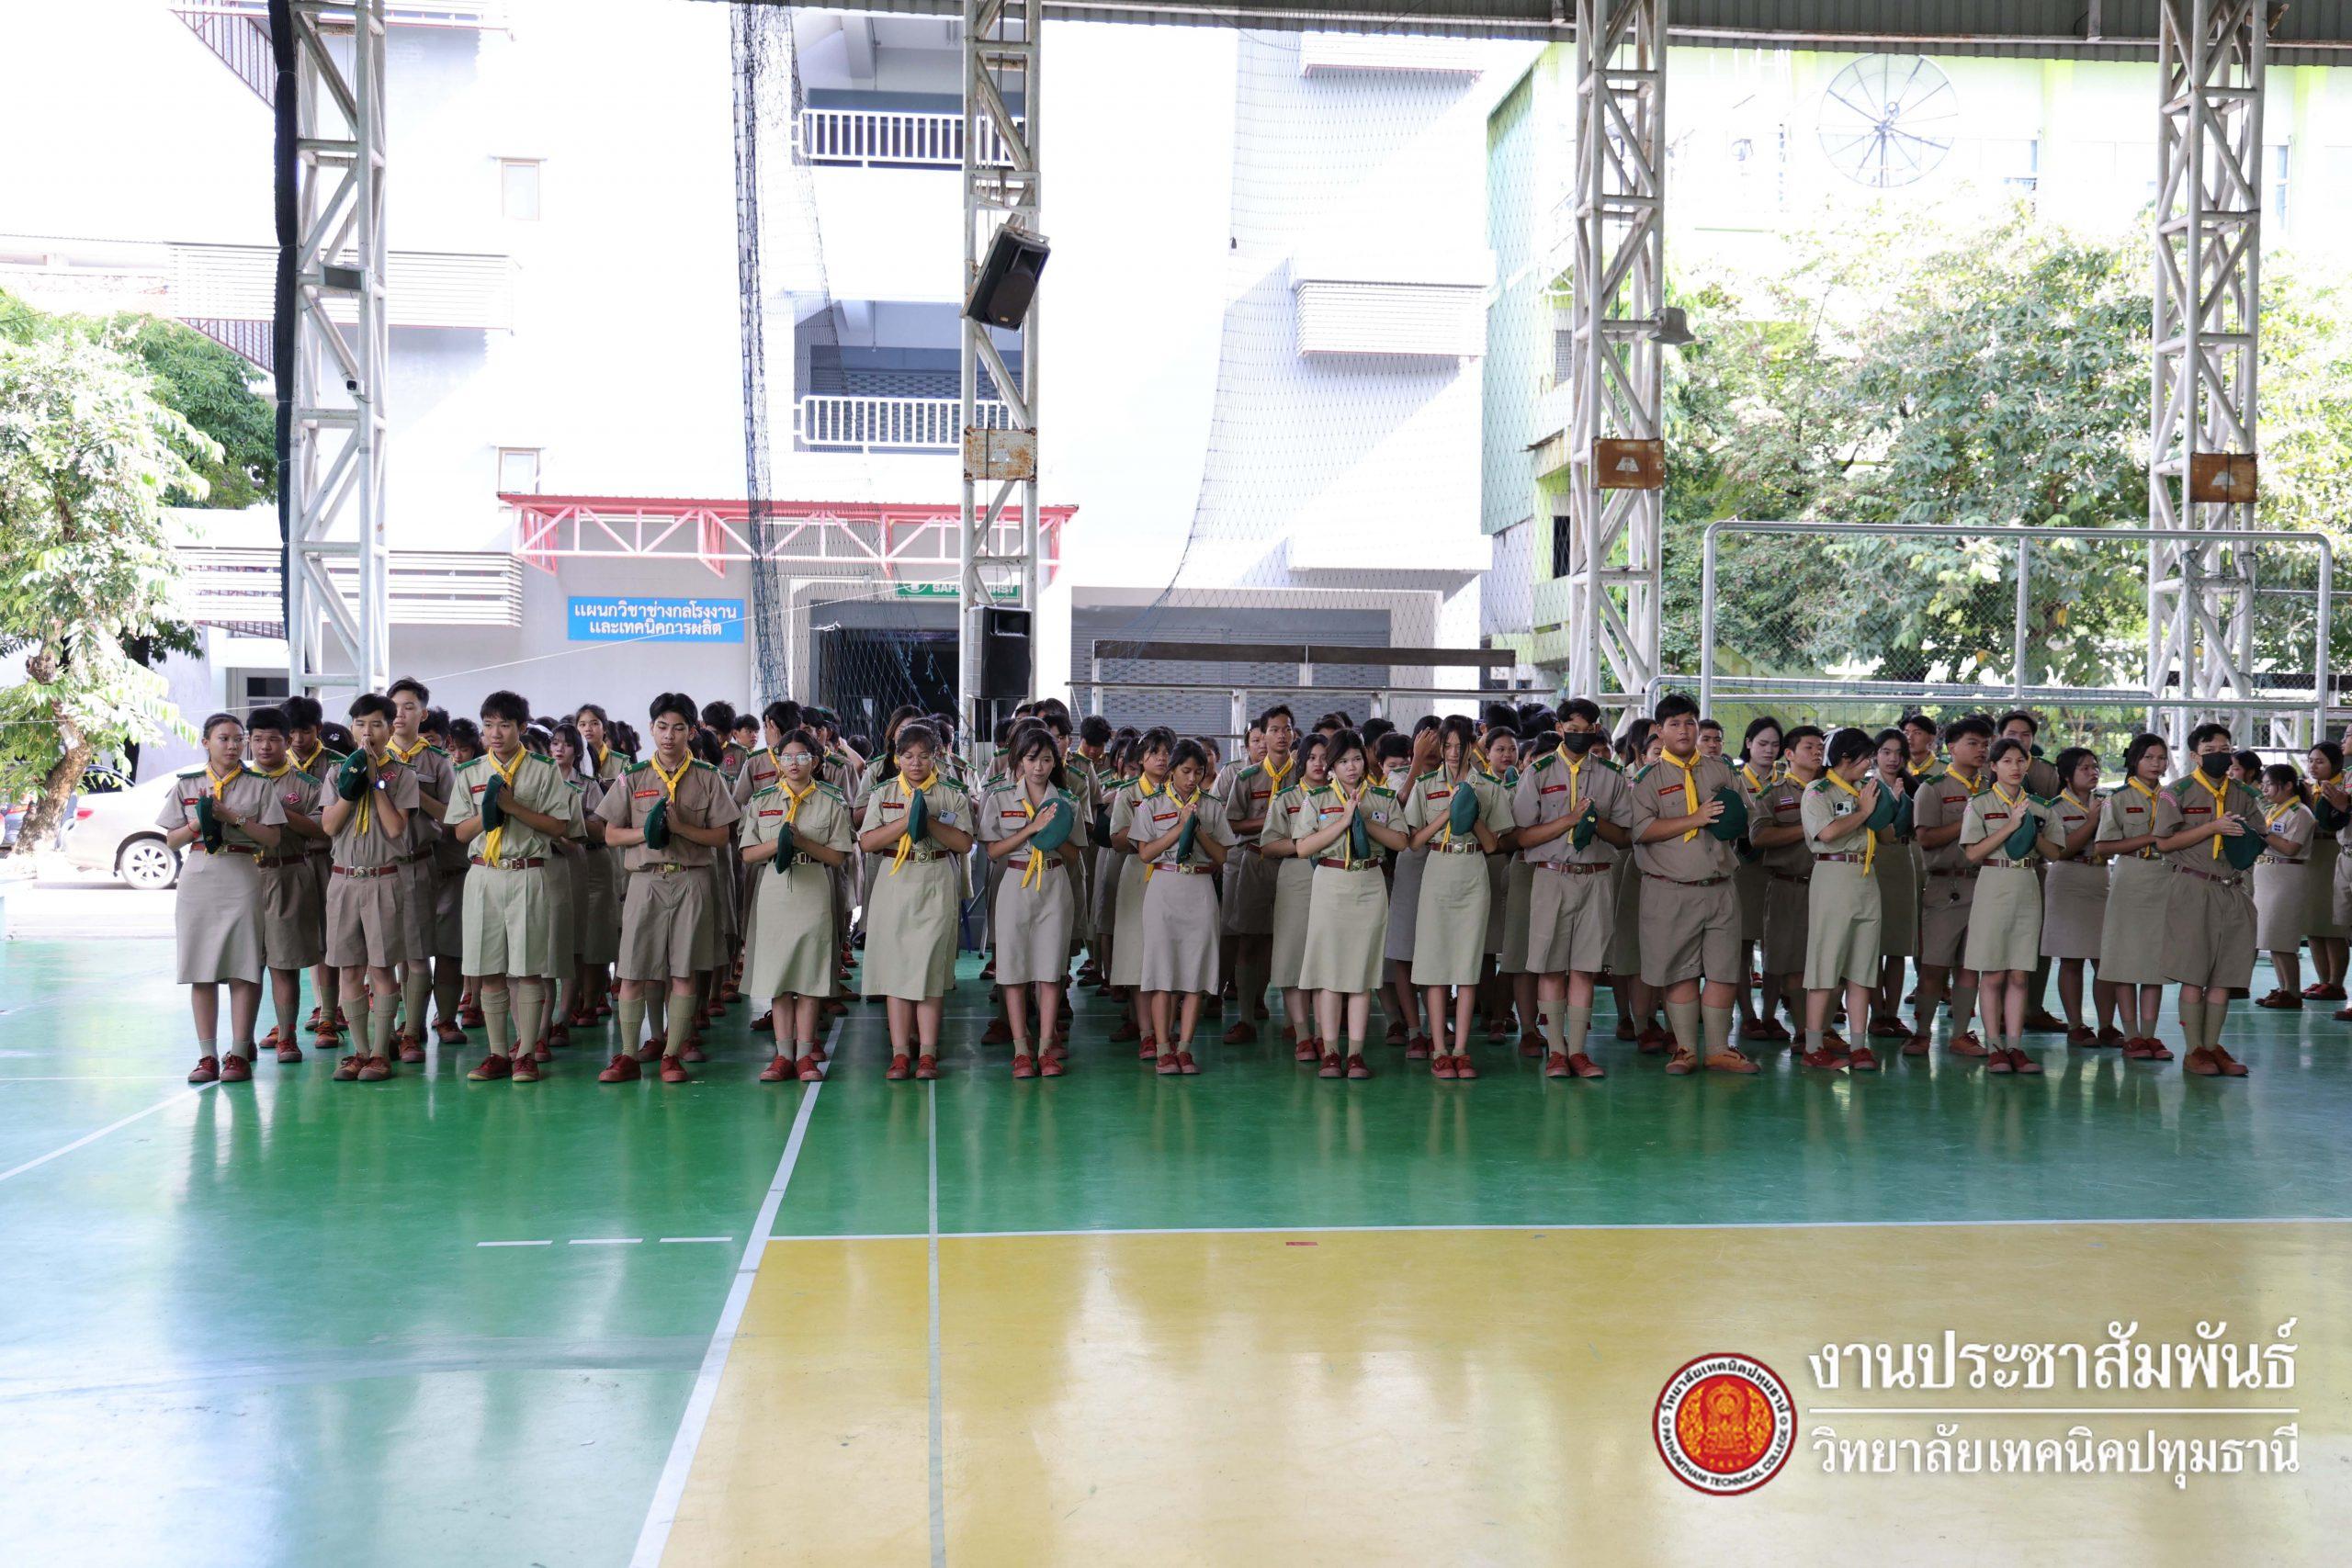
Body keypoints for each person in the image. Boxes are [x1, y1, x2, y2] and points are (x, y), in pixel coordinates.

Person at [595, 693, 744, 1085]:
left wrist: (681, 829)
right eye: (662, 727)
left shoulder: (708, 777)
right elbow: (610, 834)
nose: (669, 735)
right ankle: (628, 1054)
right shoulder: (634, 776)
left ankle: (672, 1054)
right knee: (633, 972)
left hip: (691, 879)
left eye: (678, 728)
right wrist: (645, 834)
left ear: (692, 732)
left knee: (683, 971)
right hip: (645, 880)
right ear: (651, 729)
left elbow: (721, 837)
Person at [442, 691, 579, 1083]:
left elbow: (559, 826)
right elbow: (459, 832)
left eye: (504, 725)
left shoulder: (543, 770)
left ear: (521, 727)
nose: (495, 733)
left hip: (527, 872)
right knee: (489, 971)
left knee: (529, 969)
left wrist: (513, 807)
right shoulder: (470, 772)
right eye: (488, 725)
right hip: (484, 873)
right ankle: (498, 1054)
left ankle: (527, 1053)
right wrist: (488, 814)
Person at [1627, 694, 1755, 1075]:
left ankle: (1718, 1049)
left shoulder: (1721, 770)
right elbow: (1641, 831)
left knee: (1723, 970)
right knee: (1678, 971)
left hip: (1719, 886)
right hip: (1670, 889)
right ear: (1660, 730)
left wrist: (1732, 821)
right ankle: (1684, 1049)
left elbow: (1745, 816)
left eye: (1689, 722)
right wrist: (1695, 818)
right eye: (1674, 724)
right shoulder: (1648, 779)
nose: (1684, 730)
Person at [161, 714, 288, 1083]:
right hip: (198, 874)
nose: (233, 746)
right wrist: (197, 823)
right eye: (224, 739)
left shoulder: (258, 785)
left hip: (241, 871)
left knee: (243, 966)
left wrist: (232, 817)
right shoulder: (187, 784)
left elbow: (273, 838)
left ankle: (238, 1053)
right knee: (200, 968)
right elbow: (171, 840)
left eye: (238, 739)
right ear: (206, 742)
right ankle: (207, 1055)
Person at [1511, 703, 1631, 1078]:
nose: (1579, 734)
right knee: (1550, 967)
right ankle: (1556, 1052)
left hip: (1596, 875)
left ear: (1596, 729)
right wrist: (1570, 819)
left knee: (1585, 967)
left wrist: (1595, 822)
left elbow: (1624, 836)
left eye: (1587, 728)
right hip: (1552, 875)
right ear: (1559, 728)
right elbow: (1522, 836)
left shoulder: (1611, 775)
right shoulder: (1538, 772)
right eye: (1572, 728)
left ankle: (1578, 1051)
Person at [855, 721, 972, 1080]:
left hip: (935, 878)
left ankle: (927, 1053)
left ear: (935, 756)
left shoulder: (951, 793)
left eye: (923, 756)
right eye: (908, 756)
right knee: (896, 969)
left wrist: (929, 821)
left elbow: (964, 843)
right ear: (897, 758)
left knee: (930, 970)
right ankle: (900, 1052)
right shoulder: (883, 792)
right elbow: (867, 842)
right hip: (895, 879)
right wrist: (908, 821)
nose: (916, 763)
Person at [1292, 729, 1409, 1078]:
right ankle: (1330, 1052)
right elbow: (1303, 847)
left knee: (1361, 974)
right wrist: (1343, 821)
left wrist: (1364, 821)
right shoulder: (1317, 799)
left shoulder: (1383, 798)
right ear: (1331, 766)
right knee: (1329, 973)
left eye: (1356, 759)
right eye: (1343, 761)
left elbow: (1401, 842)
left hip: (1369, 883)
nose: (1352, 766)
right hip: (1330, 883)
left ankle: (1355, 1054)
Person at [741, 726, 854, 1082]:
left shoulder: (831, 802)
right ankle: (782, 1055)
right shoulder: (762, 801)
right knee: (779, 978)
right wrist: (779, 843)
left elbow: (838, 857)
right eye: (786, 756)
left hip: (813, 885)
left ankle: (805, 1055)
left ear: (815, 761)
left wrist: (802, 842)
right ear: (777, 760)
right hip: (774, 888)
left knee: (808, 977)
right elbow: (748, 854)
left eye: (802, 756)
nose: (793, 763)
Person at [1406, 715, 1515, 1079]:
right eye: (1447, 745)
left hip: (1472, 871)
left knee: (1468, 966)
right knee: (1435, 965)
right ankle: (1439, 1048)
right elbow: (1414, 841)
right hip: (1438, 867)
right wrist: (1448, 813)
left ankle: (1462, 1049)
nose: (1453, 753)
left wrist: (1471, 811)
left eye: (1460, 745)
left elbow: (1492, 845)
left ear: (1472, 747)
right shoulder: (1425, 785)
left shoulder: (1489, 786)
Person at [978, 723, 1089, 1077]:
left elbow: (1074, 854)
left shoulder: (1067, 802)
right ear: (1019, 761)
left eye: (1045, 760)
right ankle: (1020, 1049)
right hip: (1016, 880)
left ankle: (1045, 1047)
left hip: (1054, 883)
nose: (1039, 767)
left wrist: (1053, 833)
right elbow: (993, 850)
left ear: (1055, 762)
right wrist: (1031, 828)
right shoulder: (1000, 798)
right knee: (1013, 969)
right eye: (1031, 759)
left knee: (1051, 969)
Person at [319, 694, 418, 1082]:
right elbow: (329, 826)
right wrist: (350, 784)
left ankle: (380, 1051)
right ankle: (359, 1051)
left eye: (376, 724)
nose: (367, 732)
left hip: (383, 878)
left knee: (381, 967)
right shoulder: (335, 773)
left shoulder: (401, 775)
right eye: (360, 724)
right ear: (352, 728)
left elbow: (395, 828)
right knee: (349, 968)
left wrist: (375, 779)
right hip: (344, 879)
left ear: (390, 728)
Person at [2154, 723, 2261, 1077]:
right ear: (2195, 756)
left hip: (2232, 888)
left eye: (2225, 749)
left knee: (2224, 975)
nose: (2220, 756)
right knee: (2193, 973)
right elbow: (2163, 843)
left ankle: (2213, 1046)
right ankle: (2194, 1050)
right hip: (2193, 886)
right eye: (2210, 751)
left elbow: (2258, 835)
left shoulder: (2243, 794)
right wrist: (2211, 828)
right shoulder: (2177, 792)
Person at [1960, 737, 2064, 1075]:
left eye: (2021, 760)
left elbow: (2055, 853)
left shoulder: (2041, 806)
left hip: (2026, 885)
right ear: (1993, 766)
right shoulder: (1980, 803)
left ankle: (2016, 1046)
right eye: (2006, 761)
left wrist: (2033, 831)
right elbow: (1973, 853)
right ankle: (1994, 1047)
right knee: (1992, 973)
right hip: (1993, 884)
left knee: (2019, 974)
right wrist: (2011, 826)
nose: (2015, 767)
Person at [1135, 738, 1236, 1074]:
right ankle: (1163, 1048)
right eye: (1186, 771)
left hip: (1200, 888)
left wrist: (1199, 829)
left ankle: (1185, 1048)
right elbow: (1146, 853)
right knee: (1162, 972)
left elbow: (1222, 856)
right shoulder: (1151, 804)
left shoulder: (1212, 806)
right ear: (1172, 771)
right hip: (1164, 887)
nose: (1192, 779)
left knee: (1195, 974)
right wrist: (1180, 828)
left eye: (1198, 772)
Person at [243, 707, 328, 1064]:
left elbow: (321, 829)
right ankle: (241, 1041)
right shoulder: (237, 782)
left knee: (284, 962)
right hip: (243, 878)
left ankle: (287, 1037)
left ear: (288, 740)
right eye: (258, 739)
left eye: (273, 739)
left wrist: (276, 811)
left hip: (289, 873)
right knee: (246, 967)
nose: (265, 746)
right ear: (249, 741)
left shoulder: (306, 785)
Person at [1798, 728, 1886, 1071]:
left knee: (1863, 967)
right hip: (1833, 875)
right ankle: (1813, 1046)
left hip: (1866, 876)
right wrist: (1864, 811)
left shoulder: (1866, 790)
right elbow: (1827, 832)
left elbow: (1888, 834)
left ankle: (1859, 1045)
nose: (1869, 765)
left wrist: (1889, 806)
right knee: (1826, 963)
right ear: (1846, 758)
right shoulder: (1817, 791)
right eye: (1866, 758)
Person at [386, 677, 461, 1056]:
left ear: (423, 713)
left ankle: (424, 1026)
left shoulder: (437, 762)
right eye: (394, 707)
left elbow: (454, 817)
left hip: (424, 862)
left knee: (428, 950)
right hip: (382, 866)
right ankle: (398, 1026)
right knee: (391, 952)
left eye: (409, 707)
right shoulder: (371, 758)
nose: (400, 714)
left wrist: (415, 792)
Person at [1911, 715, 1993, 1055]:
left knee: (1970, 967)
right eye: (1973, 743)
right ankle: (1921, 1033)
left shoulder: (1994, 787)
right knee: (1934, 966)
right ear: (1951, 748)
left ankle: (1961, 1033)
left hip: (1984, 885)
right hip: (1946, 886)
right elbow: (1926, 838)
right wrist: (1969, 820)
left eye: (1985, 744)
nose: (1981, 750)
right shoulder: (1933, 788)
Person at [2092, 734, 2177, 1061]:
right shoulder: (2117, 799)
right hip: (2130, 877)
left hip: (2165, 878)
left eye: (2161, 757)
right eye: (2149, 757)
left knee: (2155, 962)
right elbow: (2103, 847)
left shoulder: (2173, 798)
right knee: (2126, 961)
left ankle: (2150, 1035)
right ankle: (2131, 1035)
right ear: (2135, 761)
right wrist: (2150, 838)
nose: (2156, 764)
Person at [1259, 728, 1335, 1062]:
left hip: (1334, 877)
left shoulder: (1341, 797)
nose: (1319, 764)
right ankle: (1303, 1034)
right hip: (1297, 876)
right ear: (1301, 761)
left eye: (1325, 758)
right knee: (1292, 956)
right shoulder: (1286, 798)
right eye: (1312, 758)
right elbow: (1268, 845)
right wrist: (1304, 844)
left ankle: (1324, 1034)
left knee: (1326, 956)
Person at [1216, 708, 1292, 1043]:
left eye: (1287, 729)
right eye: (1274, 729)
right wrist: (1270, 819)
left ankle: (1289, 1016)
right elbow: (1231, 823)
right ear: (1262, 735)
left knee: (1286, 940)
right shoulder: (1247, 778)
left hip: (1293, 863)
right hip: (1255, 860)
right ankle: (1245, 1017)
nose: (1281, 735)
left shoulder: (1304, 775)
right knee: (1248, 938)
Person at [2040, 746, 2117, 1045]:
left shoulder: (2107, 802)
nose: (2092, 772)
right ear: (2067, 776)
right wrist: (2091, 822)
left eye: (2095, 766)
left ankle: (2107, 1026)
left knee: (2104, 959)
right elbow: (2061, 850)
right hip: (2068, 879)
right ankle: (2076, 1025)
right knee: (2071, 958)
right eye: (2084, 768)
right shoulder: (2054, 808)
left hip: (2100, 878)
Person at [1752, 724, 1824, 1045]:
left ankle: (1815, 1029)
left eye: (1820, 747)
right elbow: (1759, 836)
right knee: (1785, 959)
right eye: (1809, 747)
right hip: (1789, 884)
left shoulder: (1832, 791)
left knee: (1821, 962)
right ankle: (1796, 1028)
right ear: (1790, 754)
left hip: (1828, 886)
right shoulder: (1773, 794)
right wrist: (1808, 827)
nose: (1817, 752)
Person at [282, 694, 348, 1044]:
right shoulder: (274, 765)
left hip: (327, 858)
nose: (297, 740)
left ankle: (328, 1014)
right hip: (288, 861)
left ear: (318, 729)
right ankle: (288, 1021)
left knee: (328, 939)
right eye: (291, 732)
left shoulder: (338, 764)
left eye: (305, 732)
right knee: (287, 940)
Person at [1382, 720, 1439, 1055]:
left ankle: (1436, 1026)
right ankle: (1414, 1029)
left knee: (1438, 950)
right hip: (1411, 868)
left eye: (1439, 739)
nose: (1433, 745)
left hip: (1445, 866)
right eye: (1425, 739)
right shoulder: (1400, 775)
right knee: (1404, 953)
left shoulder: (1454, 775)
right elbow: (1398, 805)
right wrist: (1416, 761)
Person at [1863, 728, 1922, 1043]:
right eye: (1886, 752)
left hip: (1902, 861)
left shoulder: (1914, 787)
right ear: (1875, 755)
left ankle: (1892, 1013)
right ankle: (1876, 1014)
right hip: (1873, 860)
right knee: (1873, 945)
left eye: (1899, 753)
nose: (1892, 758)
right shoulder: (1866, 787)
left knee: (1898, 945)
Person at [1731, 716, 1784, 1039]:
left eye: (1775, 745)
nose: (1769, 750)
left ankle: (1770, 1014)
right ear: (1748, 743)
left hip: (1779, 870)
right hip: (1743, 870)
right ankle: (1748, 1014)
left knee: (1775, 944)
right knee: (1742, 944)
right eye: (1762, 743)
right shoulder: (1734, 780)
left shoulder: (1787, 782)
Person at [2252, 763, 2317, 1009]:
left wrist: (2262, 834)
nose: (2264, 789)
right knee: (2272, 938)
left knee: (2283, 938)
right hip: (2268, 876)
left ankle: (2293, 992)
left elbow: (2291, 848)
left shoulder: (2301, 813)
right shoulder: (2273, 810)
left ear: (2288, 785)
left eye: (2269, 784)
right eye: (2263, 784)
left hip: (2286, 876)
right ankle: (2283, 989)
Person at [2302, 741, 2349, 1002]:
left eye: (2320, 761)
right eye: (2311, 760)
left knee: (2333, 926)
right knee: (2313, 923)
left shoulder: (2343, 788)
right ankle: (2322, 981)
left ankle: (2336, 982)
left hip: (2333, 854)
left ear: (2336, 764)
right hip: (2313, 856)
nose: (2313, 766)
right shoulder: (2310, 790)